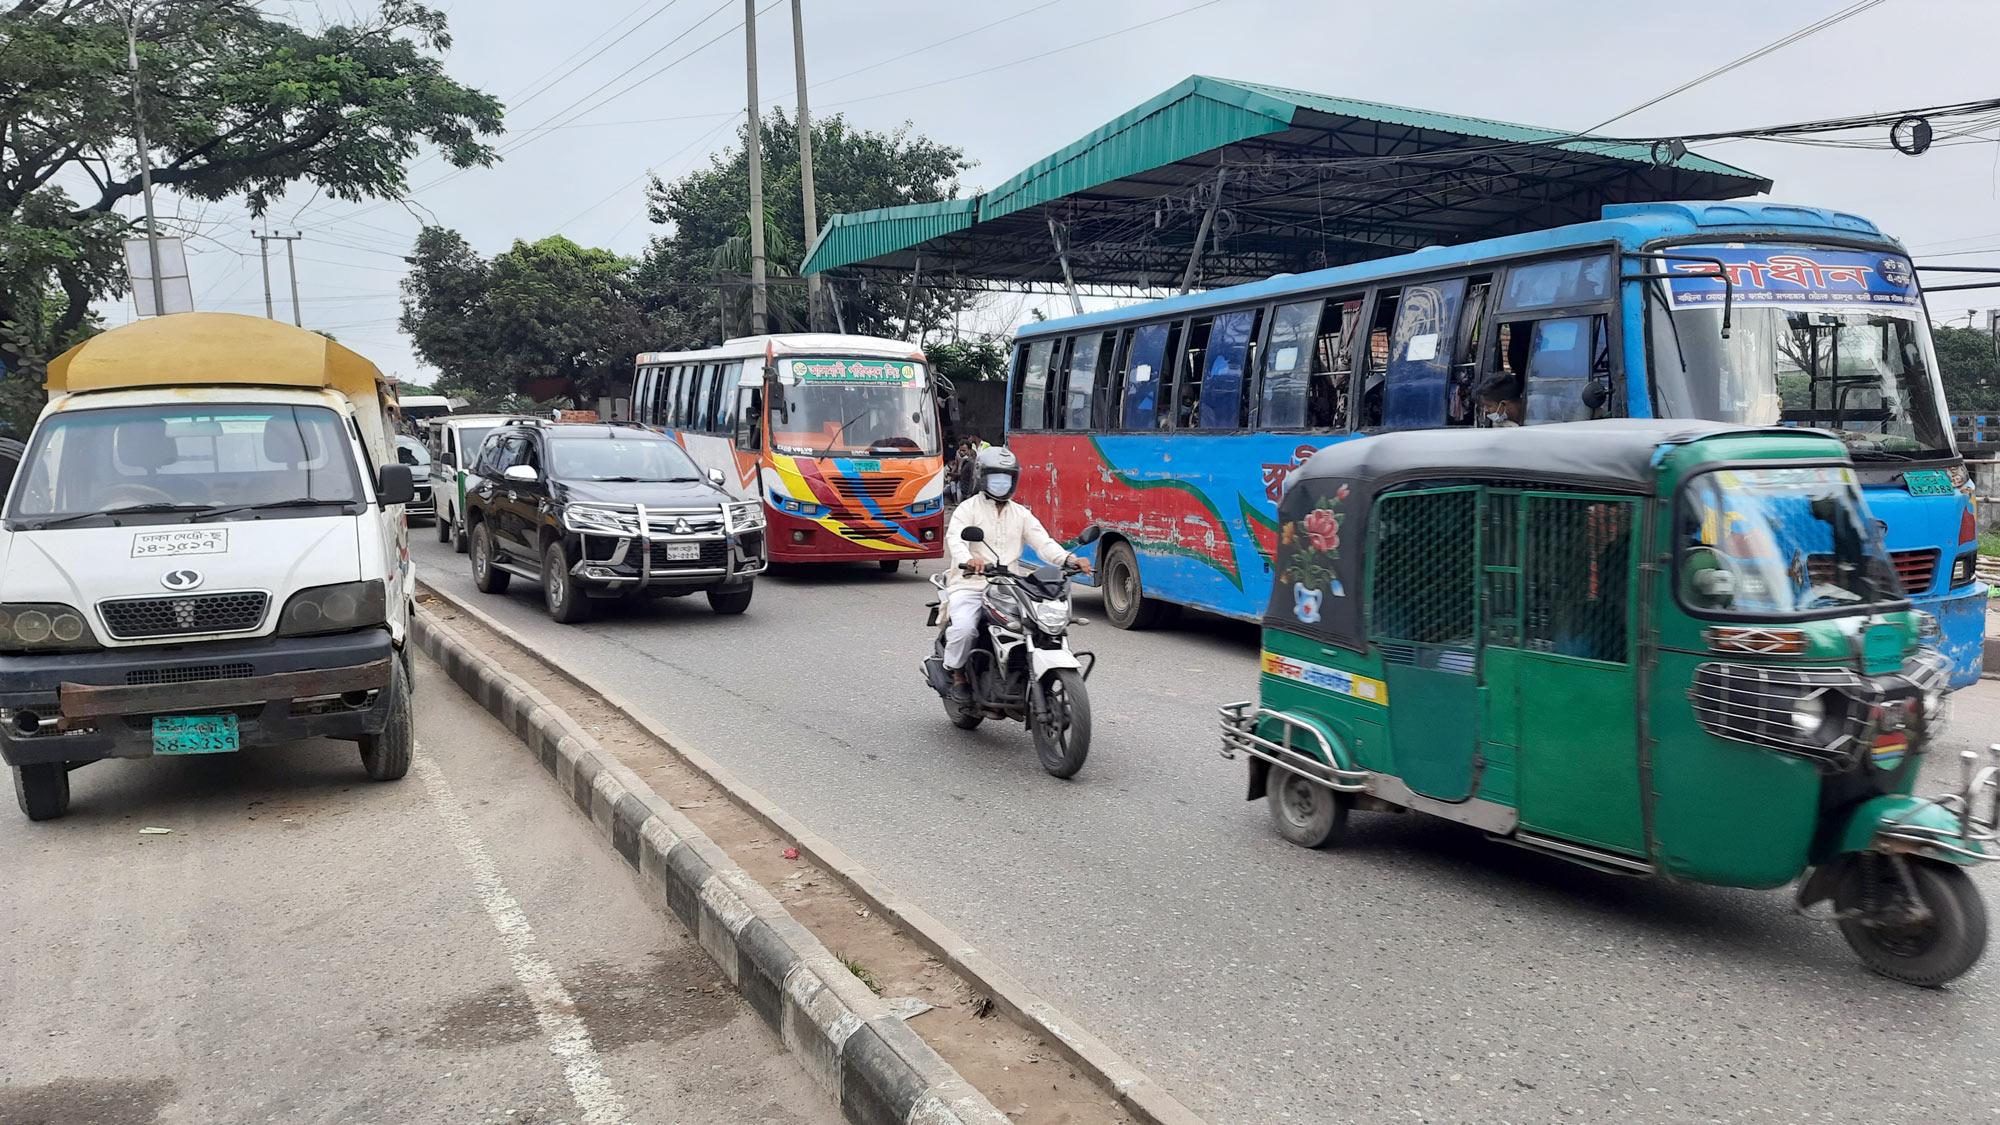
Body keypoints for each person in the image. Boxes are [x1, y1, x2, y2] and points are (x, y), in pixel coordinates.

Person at [940, 446, 1090, 703]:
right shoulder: (968, 509)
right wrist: (968, 560)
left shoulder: (1020, 513)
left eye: (1007, 477)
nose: (1001, 483)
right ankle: (957, 673)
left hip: (1010, 586)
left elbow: (1043, 542)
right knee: (964, 628)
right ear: (982, 477)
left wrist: (1069, 559)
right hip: (972, 582)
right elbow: (956, 539)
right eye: (996, 477)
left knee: (1039, 626)